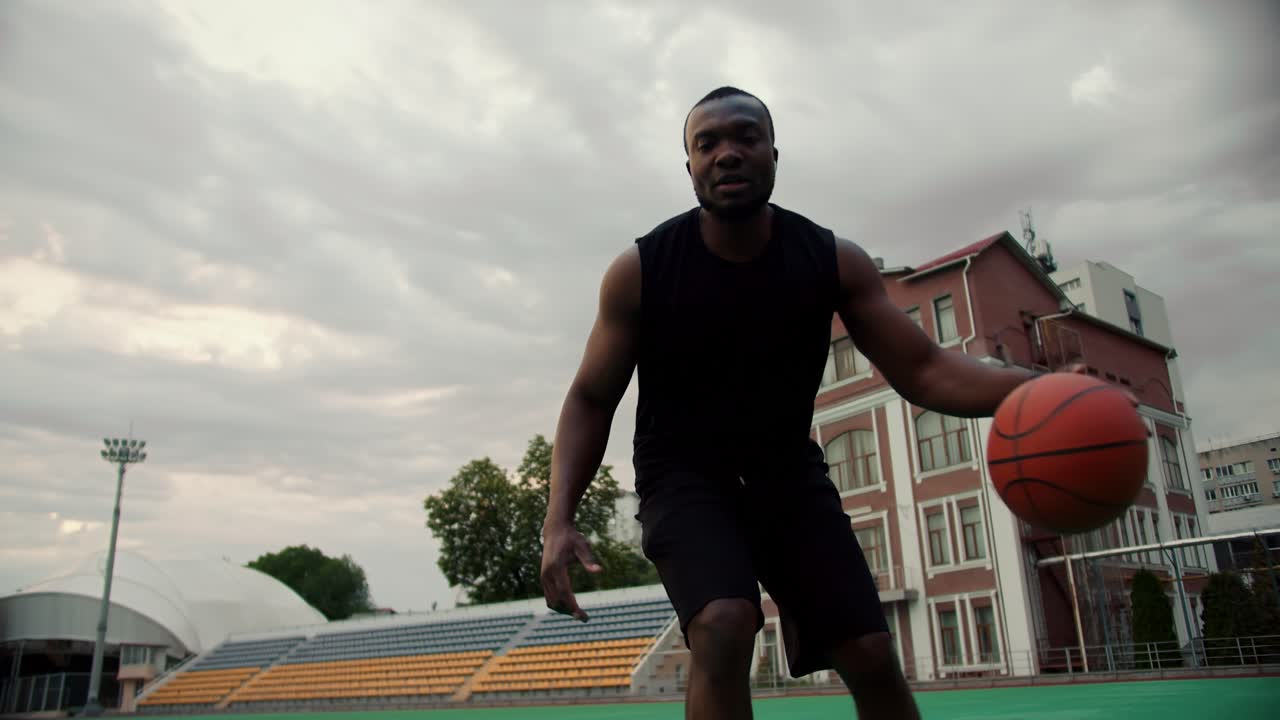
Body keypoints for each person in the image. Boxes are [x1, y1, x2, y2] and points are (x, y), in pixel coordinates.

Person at [540, 86, 1057, 719]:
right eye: (708, 143)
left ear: (774, 154)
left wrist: (1043, 390)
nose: (728, 153)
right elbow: (591, 398)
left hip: (785, 471)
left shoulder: (832, 260)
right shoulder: (642, 270)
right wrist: (558, 519)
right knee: (724, 623)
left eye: (745, 137)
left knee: (868, 649)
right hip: (682, 473)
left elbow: (926, 370)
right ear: (690, 166)